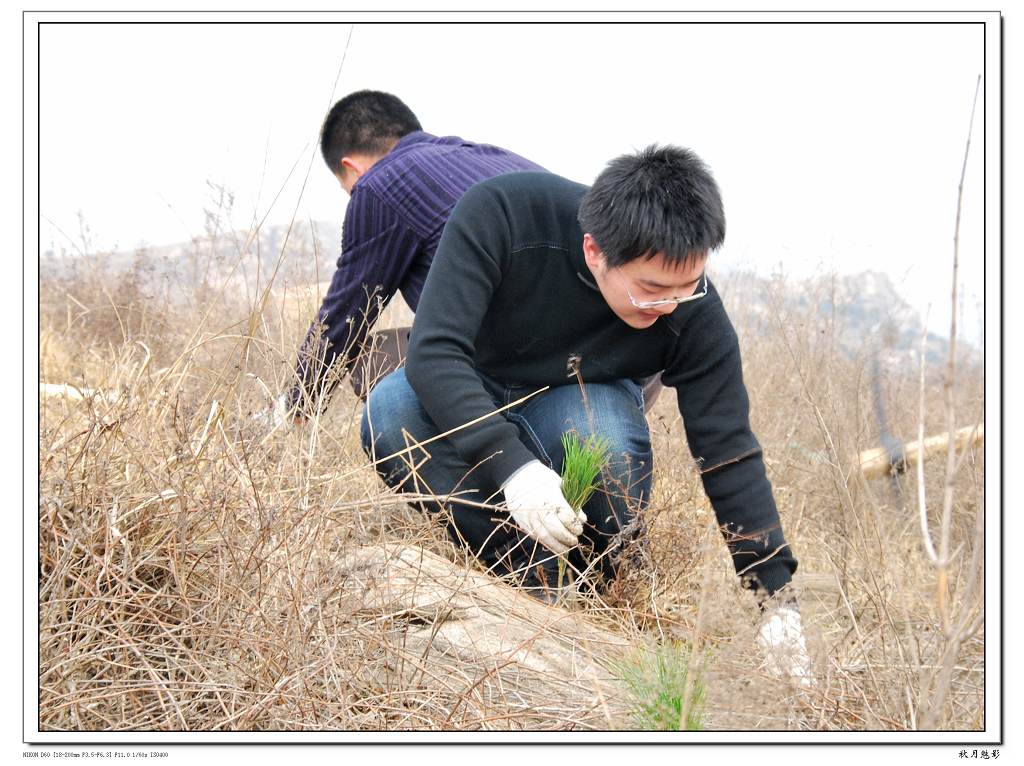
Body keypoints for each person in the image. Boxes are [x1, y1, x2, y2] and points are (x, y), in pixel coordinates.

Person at [360, 145, 812, 684]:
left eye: (686, 287)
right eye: (650, 290)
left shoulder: (694, 310)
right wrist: (514, 470)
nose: (669, 305)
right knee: (389, 411)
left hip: (574, 404)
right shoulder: (503, 213)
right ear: (595, 251)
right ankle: (528, 570)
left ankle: (597, 574)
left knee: (608, 441)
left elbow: (728, 451)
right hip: (473, 386)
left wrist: (776, 600)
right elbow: (435, 354)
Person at [267, 90, 545, 426]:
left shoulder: (379, 184)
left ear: (351, 167)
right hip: (592, 344)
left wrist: (292, 409)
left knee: (373, 357)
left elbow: (344, 318)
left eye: (349, 190)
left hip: (521, 367)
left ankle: (474, 471)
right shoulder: (493, 156)